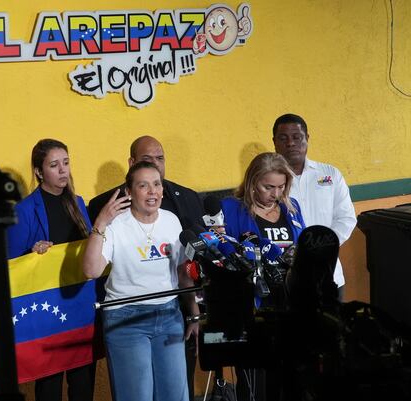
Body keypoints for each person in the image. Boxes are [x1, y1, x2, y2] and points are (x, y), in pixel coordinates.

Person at [87, 135, 203, 401]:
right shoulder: (115, 224)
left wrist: (194, 315)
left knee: (175, 394)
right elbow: (91, 270)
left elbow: (183, 273)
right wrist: (101, 223)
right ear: (130, 191)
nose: (153, 192)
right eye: (143, 186)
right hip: (126, 318)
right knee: (137, 395)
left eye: (157, 185)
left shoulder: (172, 221)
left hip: (169, 315)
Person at [6, 139, 94, 401]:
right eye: (54, 165)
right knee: (50, 384)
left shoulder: (78, 202)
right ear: (38, 171)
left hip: (79, 304)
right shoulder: (23, 210)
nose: (63, 170)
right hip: (47, 309)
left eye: (66, 163)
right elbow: (12, 264)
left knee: (82, 382)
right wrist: (32, 253)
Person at [221, 152, 306, 401]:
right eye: (268, 186)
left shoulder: (292, 208)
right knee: (255, 385)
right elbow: (224, 253)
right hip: (254, 307)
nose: (275, 193)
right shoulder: (231, 208)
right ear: (251, 181)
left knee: (289, 380)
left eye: (281, 186)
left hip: (288, 306)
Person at [272, 113, 357, 299]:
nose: (291, 143)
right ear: (274, 142)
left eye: (297, 137)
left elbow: (346, 218)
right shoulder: (268, 182)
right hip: (285, 277)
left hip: (330, 273)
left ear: (307, 138)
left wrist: (321, 248)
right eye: (283, 138)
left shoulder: (330, 174)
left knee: (332, 326)